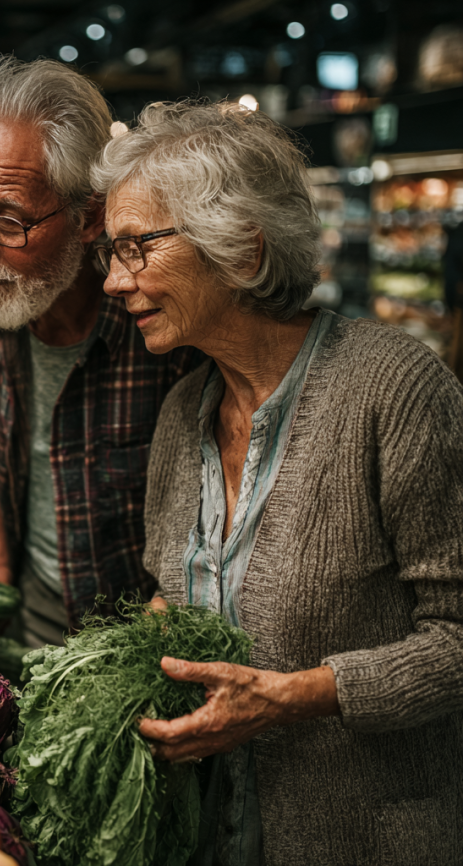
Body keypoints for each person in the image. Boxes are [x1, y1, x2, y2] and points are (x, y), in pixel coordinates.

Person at [91, 100, 463, 866]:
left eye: (136, 249)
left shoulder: (392, 389)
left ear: (244, 251)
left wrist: (292, 698)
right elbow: (181, 594)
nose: (111, 282)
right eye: (110, 252)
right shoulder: (181, 414)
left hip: (367, 840)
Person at [0, 56, 198, 647]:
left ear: (88, 217)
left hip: (146, 641)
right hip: (29, 608)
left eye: (4, 221)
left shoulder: (160, 319)